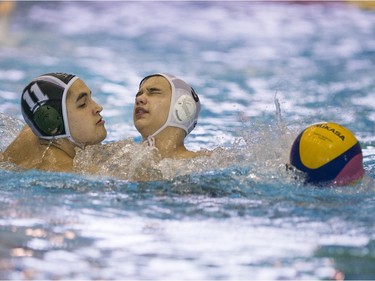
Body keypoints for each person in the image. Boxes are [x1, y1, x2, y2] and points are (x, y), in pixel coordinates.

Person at [1, 72, 107, 172]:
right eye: (83, 104)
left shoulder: (30, 133)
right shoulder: (66, 172)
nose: (98, 107)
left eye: (90, 98)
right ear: (51, 122)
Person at [133, 73, 211, 160]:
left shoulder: (204, 162)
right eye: (138, 94)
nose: (139, 99)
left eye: (153, 92)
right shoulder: (120, 154)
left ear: (181, 106)